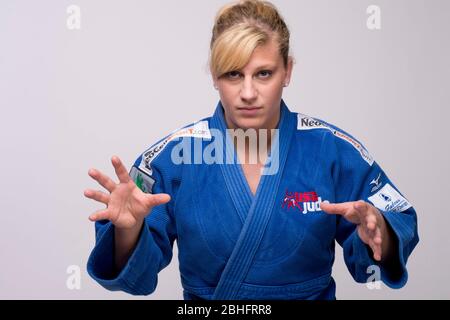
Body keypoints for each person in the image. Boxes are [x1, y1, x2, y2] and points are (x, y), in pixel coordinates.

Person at [85, 0, 418, 300]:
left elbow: (389, 230)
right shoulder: (173, 158)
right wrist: (128, 231)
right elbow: (136, 278)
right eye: (233, 74)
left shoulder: (331, 150)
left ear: (287, 71)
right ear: (214, 75)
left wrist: (382, 234)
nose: (248, 92)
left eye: (263, 73)